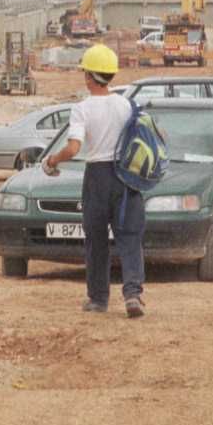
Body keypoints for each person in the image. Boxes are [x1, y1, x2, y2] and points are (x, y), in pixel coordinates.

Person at [43, 44, 145, 317]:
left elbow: (74, 148)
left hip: (97, 177)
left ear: (90, 77)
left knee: (96, 239)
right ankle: (133, 295)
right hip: (125, 176)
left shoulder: (82, 109)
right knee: (129, 236)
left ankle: (99, 299)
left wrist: (53, 160)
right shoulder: (125, 104)